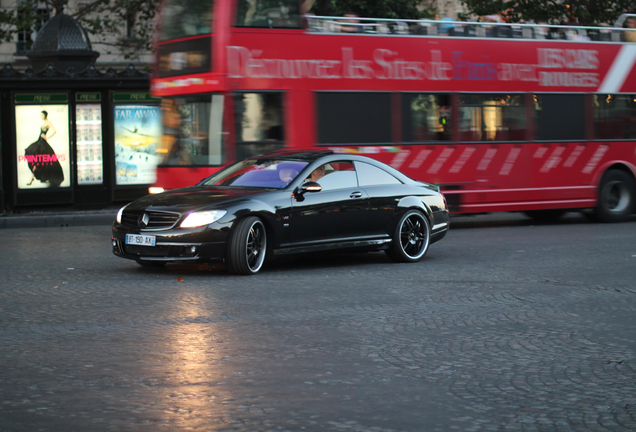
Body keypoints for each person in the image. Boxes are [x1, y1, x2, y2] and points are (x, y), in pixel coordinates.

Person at [24, 110, 64, 187]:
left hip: (43, 142)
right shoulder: (44, 123)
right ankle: (32, 177)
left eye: (42, 115)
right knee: (33, 155)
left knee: (40, 160)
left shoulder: (48, 122)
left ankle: (31, 177)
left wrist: (47, 137)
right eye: (40, 115)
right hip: (39, 141)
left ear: (45, 115)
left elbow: (54, 131)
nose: (41, 117)